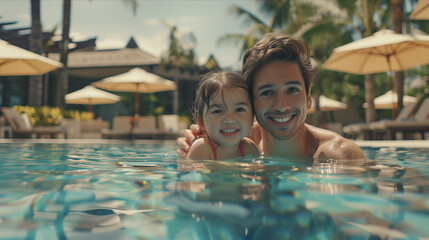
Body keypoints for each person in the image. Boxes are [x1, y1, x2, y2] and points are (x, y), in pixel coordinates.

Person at [178, 33, 365, 161]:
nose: (281, 104)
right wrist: (194, 144)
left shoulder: (340, 156)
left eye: (292, 90)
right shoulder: (236, 139)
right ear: (252, 102)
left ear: (308, 97)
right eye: (267, 92)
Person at [186, 69, 259, 160]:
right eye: (217, 111)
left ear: (252, 118)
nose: (229, 119)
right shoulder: (202, 148)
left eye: (239, 109)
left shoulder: (249, 148)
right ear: (201, 122)